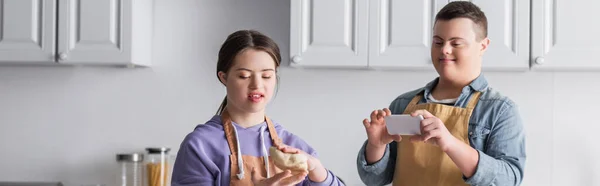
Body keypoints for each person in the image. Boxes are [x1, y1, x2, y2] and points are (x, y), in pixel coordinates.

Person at [356, 1, 526, 186]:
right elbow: (374, 179)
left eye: (456, 43)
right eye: (438, 41)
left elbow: (509, 180)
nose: (445, 49)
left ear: (483, 46)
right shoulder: (403, 104)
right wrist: (376, 145)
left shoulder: (499, 110)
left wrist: (449, 143)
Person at [171, 30, 345, 186]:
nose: (257, 85)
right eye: (244, 76)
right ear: (223, 77)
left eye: (267, 76)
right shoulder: (200, 145)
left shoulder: (293, 147)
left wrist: (317, 169)